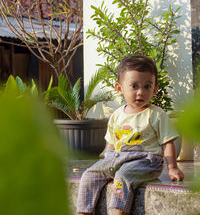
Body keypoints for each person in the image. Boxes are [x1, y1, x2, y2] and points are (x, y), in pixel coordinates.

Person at [76, 55, 184, 215]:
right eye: (134, 86)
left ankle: (119, 212)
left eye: (147, 86)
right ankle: (84, 212)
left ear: (154, 89)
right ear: (119, 88)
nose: (141, 92)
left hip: (146, 161)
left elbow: (168, 143)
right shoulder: (117, 115)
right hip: (118, 158)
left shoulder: (156, 114)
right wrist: (106, 162)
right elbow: (112, 143)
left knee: (122, 176)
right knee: (89, 175)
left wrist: (172, 168)